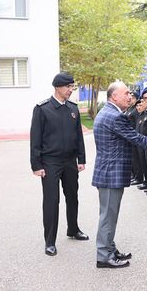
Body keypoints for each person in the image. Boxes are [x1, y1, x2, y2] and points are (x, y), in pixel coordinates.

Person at [92, 81, 147, 269]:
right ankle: (104, 255)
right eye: (126, 93)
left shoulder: (108, 112)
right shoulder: (114, 116)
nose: (130, 96)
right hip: (110, 173)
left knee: (108, 214)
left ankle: (109, 249)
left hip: (107, 172)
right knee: (108, 216)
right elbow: (136, 138)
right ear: (114, 97)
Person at [30, 72, 88, 256]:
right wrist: (36, 165)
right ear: (57, 88)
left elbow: (78, 135)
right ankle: (50, 241)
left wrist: (82, 159)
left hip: (70, 161)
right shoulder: (42, 108)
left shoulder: (72, 108)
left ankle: (73, 229)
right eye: (68, 87)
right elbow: (35, 139)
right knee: (51, 201)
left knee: (73, 196)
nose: (71, 90)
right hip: (50, 163)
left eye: (72, 87)